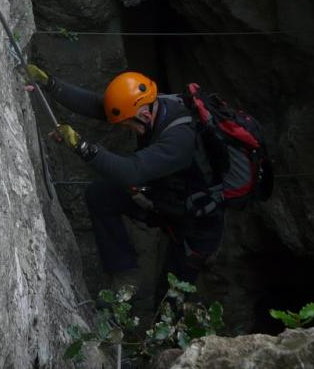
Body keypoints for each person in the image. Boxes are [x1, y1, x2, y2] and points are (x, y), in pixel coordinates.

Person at [26, 64, 224, 300]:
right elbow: (102, 107)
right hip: (164, 198)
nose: (124, 128)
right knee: (101, 196)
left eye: (128, 124)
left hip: (196, 223)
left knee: (170, 298)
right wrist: (50, 84)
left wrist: (83, 148)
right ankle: (125, 278)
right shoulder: (154, 105)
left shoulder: (179, 139)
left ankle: (163, 334)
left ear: (145, 116)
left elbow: (133, 171)